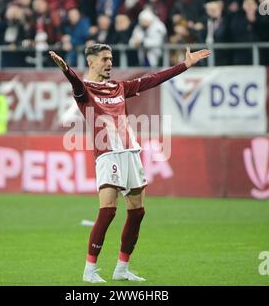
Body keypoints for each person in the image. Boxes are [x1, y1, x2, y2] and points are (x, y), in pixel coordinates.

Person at [49, 44, 210, 283]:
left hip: (130, 152)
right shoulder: (85, 90)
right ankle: (90, 270)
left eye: (111, 58)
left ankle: (122, 268)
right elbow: (75, 84)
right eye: (104, 59)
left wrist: (184, 65)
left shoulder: (119, 87)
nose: (109, 63)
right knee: (108, 210)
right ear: (91, 62)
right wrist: (67, 70)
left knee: (137, 212)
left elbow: (153, 80)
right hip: (107, 154)